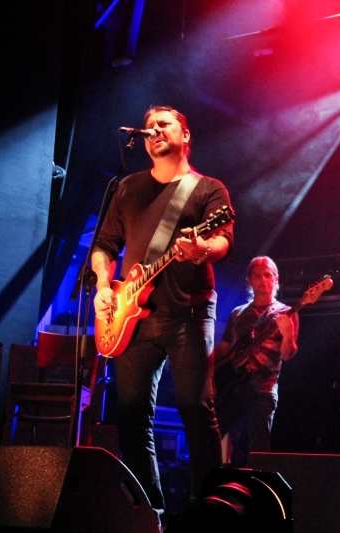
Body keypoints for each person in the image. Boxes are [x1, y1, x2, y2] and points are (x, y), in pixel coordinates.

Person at [91, 106, 233, 517]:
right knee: (131, 416)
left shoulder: (209, 189)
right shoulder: (128, 188)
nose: (153, 130)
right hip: (131, 318)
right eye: (149, 126)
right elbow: (105, 246)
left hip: (188, 313)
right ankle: (147, 513)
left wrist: (200, 249)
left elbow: (223, 241)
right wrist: (103, 286)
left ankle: (208, 511)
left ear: (185, 136)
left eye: (163, 124)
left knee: (195, 407)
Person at [213, 256, 298, 466]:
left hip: (263, 389)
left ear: (276, 279)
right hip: (232, 389)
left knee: (258, 450)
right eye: (257, 276)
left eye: (268, 275)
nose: (263, 280)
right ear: (249, 280)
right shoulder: (238, 313)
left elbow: (288, 355)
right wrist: (205, 369)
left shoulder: (286, 313)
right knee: (210, 436)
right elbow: (224, 349)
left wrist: (288, 335)